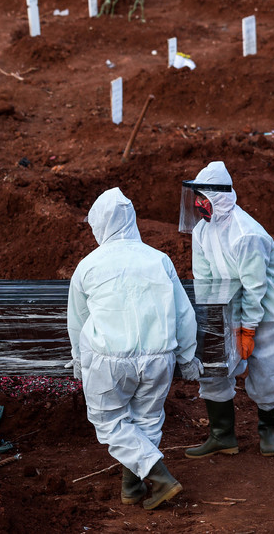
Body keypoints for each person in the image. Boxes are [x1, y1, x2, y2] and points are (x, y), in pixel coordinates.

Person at [68, 188, 201, 510]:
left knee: (109, 422)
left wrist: (76, 358)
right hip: (159, 356)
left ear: (99, 224)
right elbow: (184, 312)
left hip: (108, 358)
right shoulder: (159, 259)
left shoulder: (88, 265)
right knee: (148, 419)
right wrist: (186, 354)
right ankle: (132, 486)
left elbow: (79, 319)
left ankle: (161, 477)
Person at [179, 161, 274, 458]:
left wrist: (247, 328)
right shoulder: (202, 232)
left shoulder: (247, 235)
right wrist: (212, 321)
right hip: (225, 312)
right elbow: (204, 280)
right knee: (213, 366)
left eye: (201, 197)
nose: (196, 204)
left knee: (268, 372)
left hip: (267, 314)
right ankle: (223, 435)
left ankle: (267, 429)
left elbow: (255, 288)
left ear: (218, 197)